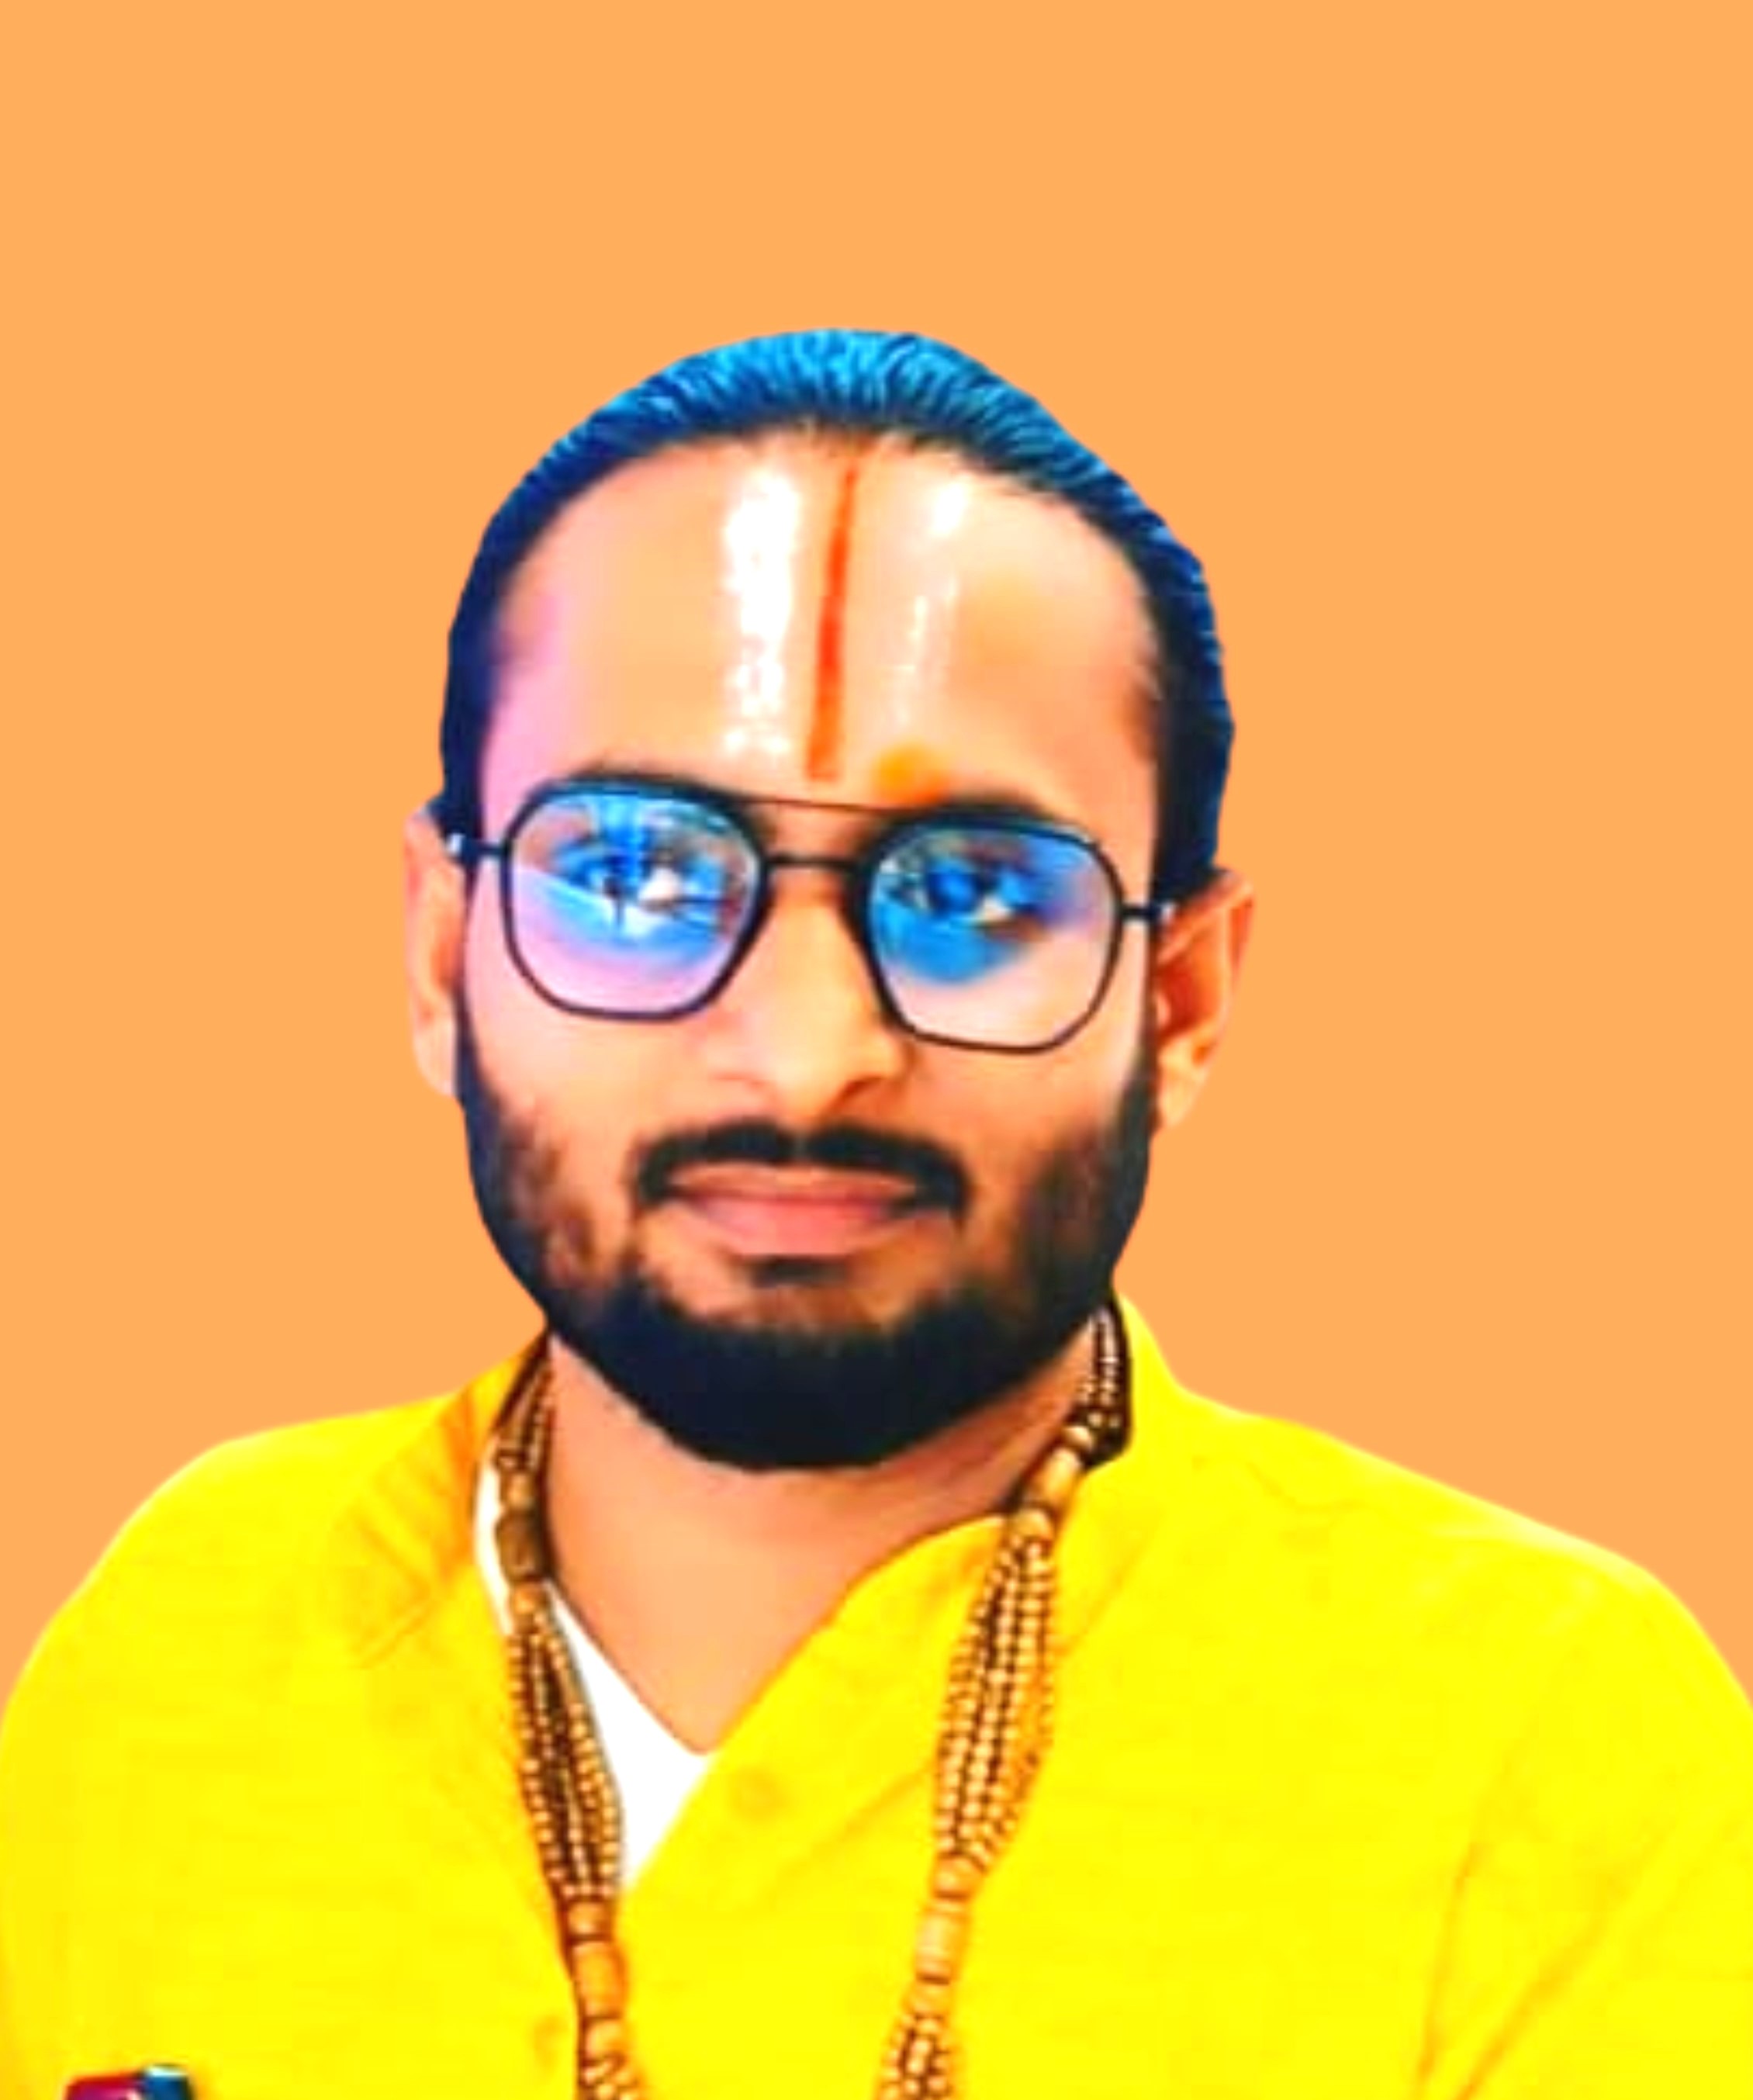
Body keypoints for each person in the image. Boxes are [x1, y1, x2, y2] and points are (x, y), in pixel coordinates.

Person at [1, 330, 1748, 2100]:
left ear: (1179, 1001)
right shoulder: (185, 1634)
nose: (808, 1053)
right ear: (447, 959)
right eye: (637, 872)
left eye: (973, 893)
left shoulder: (1533, 1744)